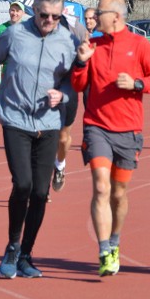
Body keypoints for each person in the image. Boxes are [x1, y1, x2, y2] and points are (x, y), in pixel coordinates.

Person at [0, 0, 77, 279]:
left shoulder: (67, 41)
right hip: (15, 119)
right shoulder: (15, 34)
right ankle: (12, 247)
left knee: (41, 191)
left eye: (56, 17)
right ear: (34, 10)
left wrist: (64, 96)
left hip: (48, 123)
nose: (49, 21)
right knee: (22, 184)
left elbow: (72, 80)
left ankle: (26, 254)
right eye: (45, 15)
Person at [71, 0, 150, 276]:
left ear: (114, 16)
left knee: (119, 192)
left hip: (129, 130)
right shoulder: (92, 45)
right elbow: (78, 85)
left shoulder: (139, 45)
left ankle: (114, 241)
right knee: (101, 187)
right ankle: (103, 250)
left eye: (98, 12)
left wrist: (137, 83)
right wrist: (80, 62)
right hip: (96, 126)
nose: (93, 17)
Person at [51, 12, 89, 193]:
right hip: (44, 90)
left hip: (68, 90)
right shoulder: (37, 28)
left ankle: (59, 166)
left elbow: (86, 41)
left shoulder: (74, 27)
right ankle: (39, 184)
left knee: (63, 137)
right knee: (38, 135)